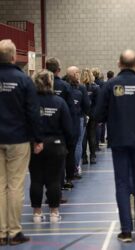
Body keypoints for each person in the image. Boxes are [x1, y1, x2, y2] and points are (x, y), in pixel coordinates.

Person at [95, 49, 135, 243]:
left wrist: (114, 116)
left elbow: (98, 115)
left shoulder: (110, 85)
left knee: (122, 185)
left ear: (119, 64)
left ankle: (125, 231)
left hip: (119, 142)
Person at [0, 39, 43, 246]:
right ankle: (14, 231)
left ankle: (1, 232)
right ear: (14, 56)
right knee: (15, 185)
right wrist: (38, 139)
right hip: (18, 138)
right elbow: (32, 112)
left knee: (0, 186)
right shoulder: (23, 80)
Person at [29, 69, 73, 224]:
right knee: (54, 180)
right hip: (56, 145)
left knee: (36, 180)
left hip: (35, 144)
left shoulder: (29, 101)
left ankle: (36, 213)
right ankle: (54, 213)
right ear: (51, 82)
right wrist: (68, 145)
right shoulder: (59, 102)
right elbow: (68, 127)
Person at [45, 57, 76, 195]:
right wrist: (72, 132)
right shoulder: (64, 86)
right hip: (59, 130)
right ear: (58, 70)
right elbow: (71, 111)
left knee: (42, 167)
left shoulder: (36, 86)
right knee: (61, 159)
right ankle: (64, 183)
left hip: (42, 131)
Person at [66, 66, 90, 179]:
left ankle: (67, 168)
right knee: (78, 143)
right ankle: (76, 167)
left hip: (65, 118)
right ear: (75, 74)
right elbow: (86, 105)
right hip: (78, 118)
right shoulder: (81, 88)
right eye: (78, 72)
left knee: (68, 143)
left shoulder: (63, 86)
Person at [81, 69, 99, 165]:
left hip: (83, 114)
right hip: (92, 114)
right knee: (91, 135)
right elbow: (97, 103)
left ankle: (84, 157)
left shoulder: (79, 87)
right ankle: (93, 156)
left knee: (83, 136)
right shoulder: (95, 88)